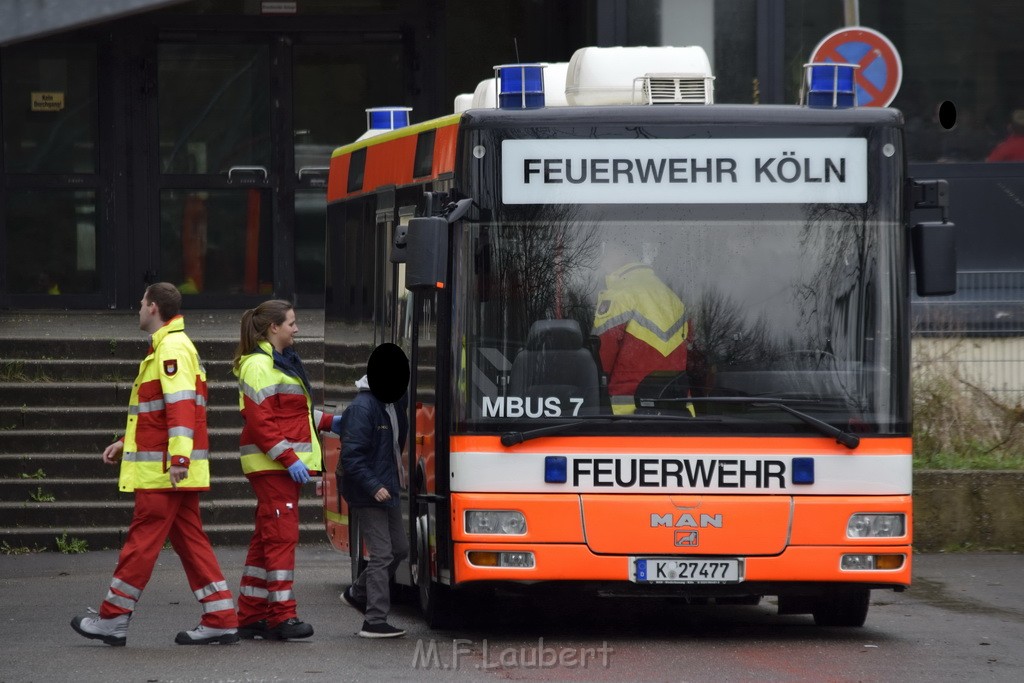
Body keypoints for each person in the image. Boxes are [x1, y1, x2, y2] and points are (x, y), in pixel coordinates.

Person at [70, 282, 239, 646]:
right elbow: (161, 413)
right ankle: (221, 615)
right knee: (191, 542)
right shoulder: (170, 346)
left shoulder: (171, 347)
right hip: (172, 468)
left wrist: (178, 458)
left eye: (141, 302)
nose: (138, 308)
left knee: (141, 543)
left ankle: (113, 619)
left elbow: (180, 408)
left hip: (165, 472)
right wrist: (123, 441)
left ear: (153, 308)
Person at [232, 300, 343, 641]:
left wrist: (332, 421)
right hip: (274, 467)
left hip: (276, 466)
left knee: (266, 539)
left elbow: (294, 417)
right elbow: (262, 422)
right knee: (282, 537)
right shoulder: (260, 365)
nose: (296, 329)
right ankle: (282, 616)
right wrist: (290, 459)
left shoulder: (276, 364)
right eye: (292, 323)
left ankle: (251, 614)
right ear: (273, 328)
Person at [338, 343, 411, 639]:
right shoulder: (362, 407)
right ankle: (375, 620)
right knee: (382, 553)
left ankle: (358, 592)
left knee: (400, 549)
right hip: (368, 491)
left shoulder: (392, 403)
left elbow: (395, 445)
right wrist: (375, 486)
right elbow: (351, 457)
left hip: (387, 486)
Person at [591, 245, 690, 414]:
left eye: (608, 251)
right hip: (680, 416)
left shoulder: (618, 296)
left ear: (623, 253)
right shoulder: (674, 299)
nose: (603, 259)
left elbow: (598, 365)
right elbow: (691, 359)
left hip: (627, 419)